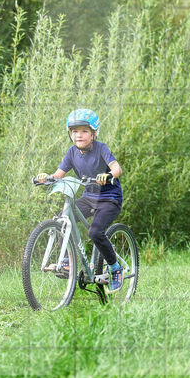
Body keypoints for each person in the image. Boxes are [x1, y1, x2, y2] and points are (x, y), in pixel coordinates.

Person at [36, 108, 125, 291]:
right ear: (70, 134)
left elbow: (117, 168)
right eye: (74, 131)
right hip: (88, 197)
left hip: (109, 199)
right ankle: (67, 261)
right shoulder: (71, 153)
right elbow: (59, 175)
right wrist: (47, 177)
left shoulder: (101, 148)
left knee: (95, 232)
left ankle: (116, 268)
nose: (79, 135)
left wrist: (108, 175)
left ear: (94, 133)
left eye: (84, 131)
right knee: (63, 219)